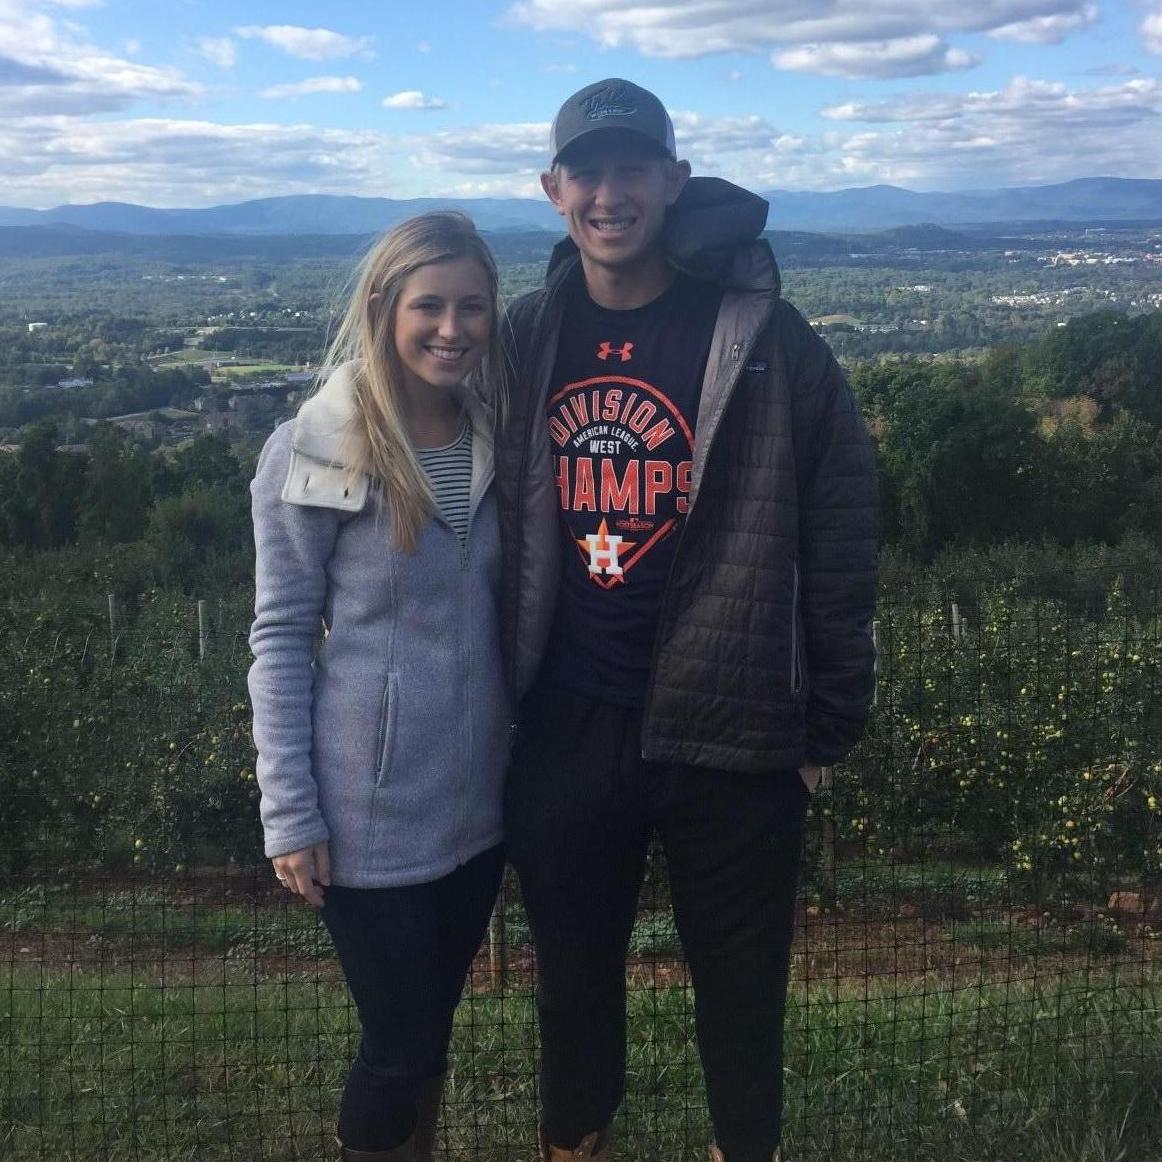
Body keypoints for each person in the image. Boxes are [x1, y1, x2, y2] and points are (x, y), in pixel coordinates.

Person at [495, 79, 879, 1162]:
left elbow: (843, 526)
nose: (607, 193)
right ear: (552, 189)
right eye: (586, 172)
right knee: (571, 987)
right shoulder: (524, 336)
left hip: (737, 721)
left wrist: (827, 725)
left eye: (630, 168)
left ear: (673, 177)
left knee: (743, 998)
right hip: (569, 718)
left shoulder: (766, 335)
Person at [247, 211, 510, 1162]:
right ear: (383, 309)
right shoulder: (316, 446)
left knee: (427, 1030)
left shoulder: (494, 432)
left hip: (478, 810)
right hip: (367, 818)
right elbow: (279, 635)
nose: (453, 327)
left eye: (472, 307)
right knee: (399, 1045)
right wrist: (291, 814)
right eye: (429, 305)